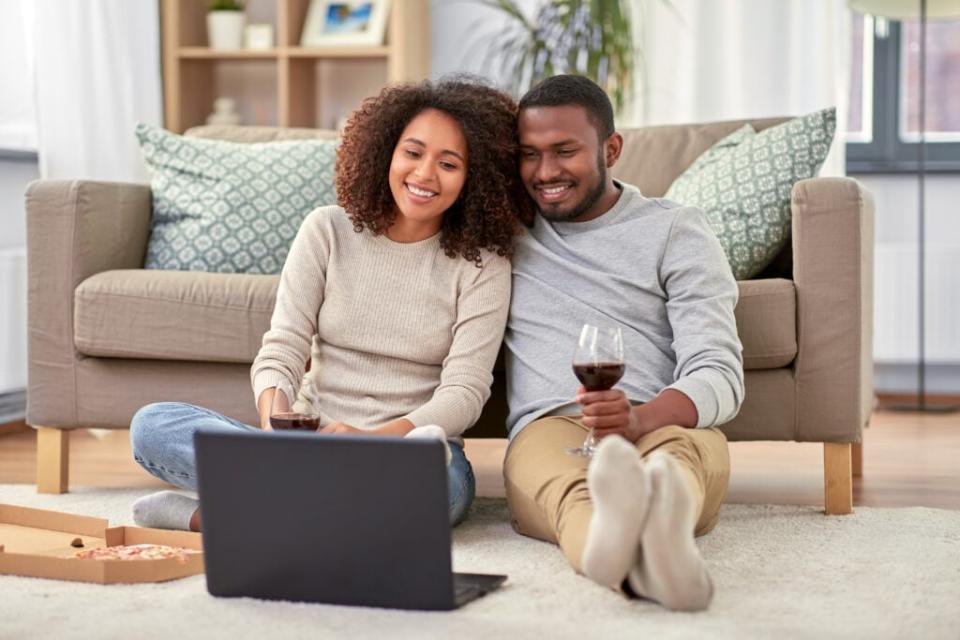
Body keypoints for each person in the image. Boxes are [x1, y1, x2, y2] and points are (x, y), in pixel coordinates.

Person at [129, 78, 534, 532]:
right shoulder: (326, 230)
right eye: (413, 153)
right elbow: (281, 349)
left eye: (449, 163)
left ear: (474, 177)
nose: (424, 175)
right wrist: (274, 425)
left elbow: (464, 393)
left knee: (442, 494)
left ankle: (225, 515)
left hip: (408, 450)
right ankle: (317, 503)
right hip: (309, 442)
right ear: (386, 152)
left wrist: (371, 441)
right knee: (153, 426)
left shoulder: (483, 263)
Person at [503, 75, 744, 611]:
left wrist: (638, 421)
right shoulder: (504, 232)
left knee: (672, 466)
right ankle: (646, 567)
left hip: (659, 418)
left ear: (611, 148)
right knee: (571, 493)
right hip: (551, 425)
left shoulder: (676, 229)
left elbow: (719, 371)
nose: (545, 173)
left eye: (565, 151)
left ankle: (653, 535)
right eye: (529, 155)